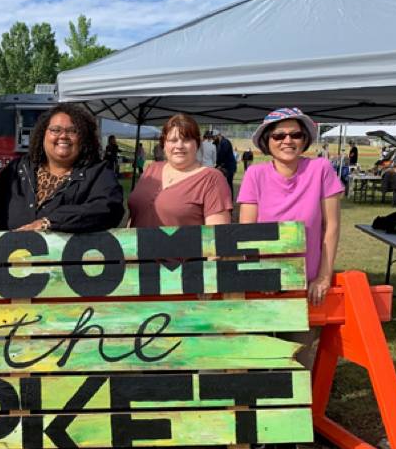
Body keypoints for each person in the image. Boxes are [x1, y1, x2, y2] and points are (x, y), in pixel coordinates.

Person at [237, 108, 343, 368]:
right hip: (263, 282)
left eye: (295, 134)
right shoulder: (255, 175)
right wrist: (261, 273)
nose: (287, 140)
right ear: (267, 141)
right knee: (257, 359)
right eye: (279, 135)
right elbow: (246, 233)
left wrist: (323, 276)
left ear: (304, 138)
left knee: (297, 361)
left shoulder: (321, 169)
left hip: (303, 286)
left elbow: (332, 227)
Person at [0, 102, 124, 232]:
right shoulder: (19, 168)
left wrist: (49, 222)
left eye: (73, 131)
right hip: (13, 249)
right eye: (55, 130)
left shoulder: (98, 172)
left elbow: (109, 208)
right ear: (42, 134)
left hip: (71, 252)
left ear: (84, 138)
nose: (63, 136)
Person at [128, 114, 232, 227]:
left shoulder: (212, 179)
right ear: (164, 144)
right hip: (136, 244)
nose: (179, 145)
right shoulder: (152, 169)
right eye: (173, 140)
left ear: (197, 144)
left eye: (186, 140)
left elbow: (215, 237)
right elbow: (135, 214)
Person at [212, 129, 237, 194]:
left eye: (214, 137)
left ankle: (229, 200)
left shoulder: (225, 142)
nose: (213, 139)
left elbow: (223, 154)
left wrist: (218, 165)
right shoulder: (218, 143)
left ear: (218, 135)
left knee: (228, 184)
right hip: (223, 166)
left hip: (229, 166)